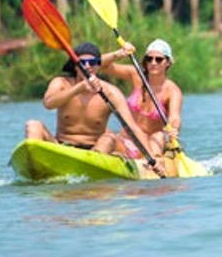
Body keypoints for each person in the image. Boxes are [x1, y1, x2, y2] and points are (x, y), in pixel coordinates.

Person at [25, 42, 163, 176]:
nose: (87, 66)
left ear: (98, 65)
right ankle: (34, 170)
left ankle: (92, 169)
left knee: (109, 138)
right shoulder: (61, 83)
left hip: (94, 150)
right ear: (75, 65)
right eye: (82, 63)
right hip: (61, 146)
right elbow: (48, 103)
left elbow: (131, 127)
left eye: (91, 63)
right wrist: (78, 89)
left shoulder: (110, 92)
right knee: (33, 125)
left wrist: (151, 158)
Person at [99, 39, 183, 170]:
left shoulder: (172, 91)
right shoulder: (136, 75)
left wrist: (174, 129)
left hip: (150, 146)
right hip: (125, 141)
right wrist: (119, 54)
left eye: (158, 59)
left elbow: (174, 117)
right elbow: (99, 65)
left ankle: (155, 162)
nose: (153, 63)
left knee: (159, 135)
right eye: (149, 59)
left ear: (168, 62)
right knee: (103, 131)